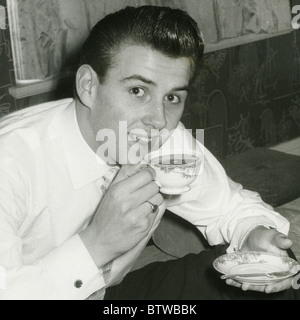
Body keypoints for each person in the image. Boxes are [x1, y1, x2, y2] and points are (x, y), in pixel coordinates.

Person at [0, 5, 298, 300]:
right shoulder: (11, 162)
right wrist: (96, 243)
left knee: (267, 282)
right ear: (89, 85)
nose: (159, 119)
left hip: (109, 295)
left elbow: (230, 205)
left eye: (172, 97)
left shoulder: (159, 139)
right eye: (138, 91)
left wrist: (255, 234)